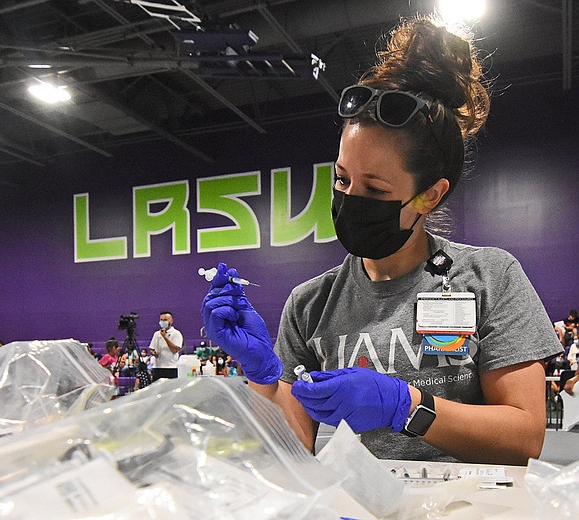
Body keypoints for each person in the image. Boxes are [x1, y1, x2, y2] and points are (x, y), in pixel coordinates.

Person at [201, 17, 563, 465]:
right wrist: (261, 376)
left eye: (375, 189)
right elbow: (292, 452)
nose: (351, 200)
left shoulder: (489, 277)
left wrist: (406, 407)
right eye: (341, 179)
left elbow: (524, 437)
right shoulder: (310, 304)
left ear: (430, 195)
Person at [149, 311, 184, 379]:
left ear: (171, 321)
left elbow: (175, 350)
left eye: (165, 320)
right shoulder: (156, 334)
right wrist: (153, 353)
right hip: (158, 367)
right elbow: (152, 348)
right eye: (161, 320)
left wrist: (164, 337)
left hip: (170, 367)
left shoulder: (176, 333)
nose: (163, 322)